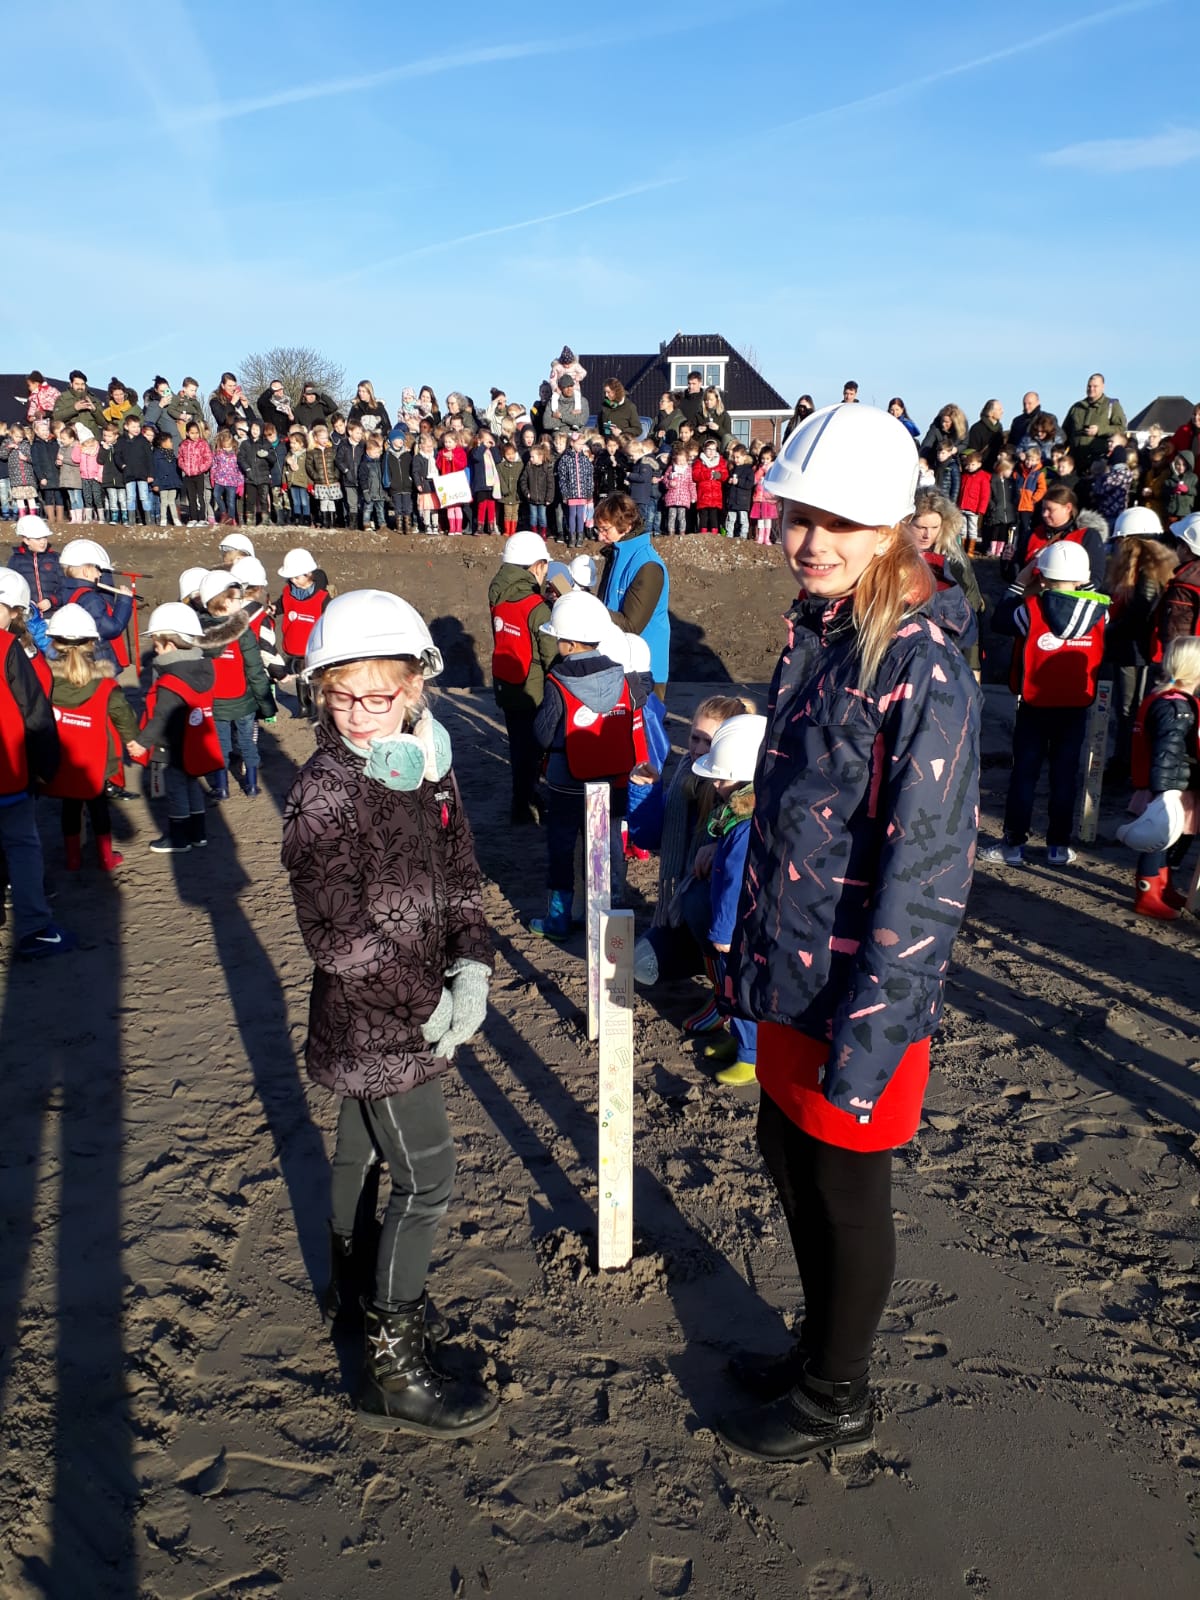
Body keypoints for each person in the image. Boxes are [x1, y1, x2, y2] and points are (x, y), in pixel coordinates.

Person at [716, 403, 979, 1465]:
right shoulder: (817, 633)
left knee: (844, 1181)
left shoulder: (927, 666)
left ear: (895, 532)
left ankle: (839, 1389)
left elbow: (927, 868)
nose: (813, 538)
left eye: (844, 521)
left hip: (865, 993)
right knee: (785, 1146)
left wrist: (874, 1032)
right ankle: (817, 1341)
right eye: (799, 515)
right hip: (792, 972)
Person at [281, 589, 498, 1438]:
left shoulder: (430, 766)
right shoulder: (321, 796)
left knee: (361, 1151)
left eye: (381, 694)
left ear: (414, 688)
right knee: (427, 1177)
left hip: (418, 1000)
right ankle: (393, 1364)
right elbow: (339, 939)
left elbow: (461, 871)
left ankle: (353, 1298)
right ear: (321, 691)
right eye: (343, 695)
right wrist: (429, 1000)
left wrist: (472, 959)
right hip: (380, 1022)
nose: (363, 714)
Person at [983, 540, 1108, 867]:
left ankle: (1013, 846)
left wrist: (1021, 581)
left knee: (1024, 774)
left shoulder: (1030, 610)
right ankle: (1058, 847)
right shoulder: (1100, 612)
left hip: (1035, 706)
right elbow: (1090, 592)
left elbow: (999, 620)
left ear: (1044, 575)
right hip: (1076, 708)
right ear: (1082, 578)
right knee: (1065, 776)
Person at [530, 591, 643, 939]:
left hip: (567, 782)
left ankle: (559, 918)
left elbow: (544, 734)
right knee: (606, 845)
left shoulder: (557, 682)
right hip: (614, 778)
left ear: (567, 644)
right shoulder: (624, 677)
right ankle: (608, 913)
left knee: (562, 847)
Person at [687, 715, 765, 1087]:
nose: (715, 784)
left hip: (738, 928)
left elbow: (736, 882)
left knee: (742, 987)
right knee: (733, 987)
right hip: (738, 925)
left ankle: (751, 1056)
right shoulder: (739, 820)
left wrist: (722, 930)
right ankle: (737, 1039)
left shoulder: (742, 828)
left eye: (722, 778)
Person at [0, 577, 73, 958]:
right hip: (8, 774)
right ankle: (34, 928)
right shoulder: (8, 648)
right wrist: (47, 764)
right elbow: (35, 712)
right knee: (22, 845)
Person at [42, 602, 138, 871]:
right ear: (92, 643)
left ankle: (73, 859)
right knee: (99, 808)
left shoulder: (45, 682)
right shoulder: (106, 684)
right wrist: (133, 740)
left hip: (63, 760)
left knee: (70, 808)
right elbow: (122, 713)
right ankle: (107, 858)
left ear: (54, 642)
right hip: (98, 759)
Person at [128, 602, 223, 852]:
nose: (156, 652)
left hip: (174, 746)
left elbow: (160, 717)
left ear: (170, 646)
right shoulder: (203, 668)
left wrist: (141, 742)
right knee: (192, 784)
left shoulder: (171, 680)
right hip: (196, 742)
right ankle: (198, 832)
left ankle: (179, 838)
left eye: (157, 647)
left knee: (176, 790)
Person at [1124, 636, 1200, 920]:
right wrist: (1162, 792)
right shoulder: (1175, 707)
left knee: (1171, 839)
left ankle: (1163, 886)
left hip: (1176, 783)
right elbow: (1166, 751)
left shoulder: (1170, 699)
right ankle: (1148, 891)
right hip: (1170, 787)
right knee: (1159, 839)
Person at [1104, 508, 1175, 784]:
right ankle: (1127, 761)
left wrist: (1107, 630)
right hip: (1136, 648)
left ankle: (1126, 763)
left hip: (1134, 650)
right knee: (1129, 709)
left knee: (1128, 710)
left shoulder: (1145, 569)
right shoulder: (1153, 566)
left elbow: (1138, 614)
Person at [488, 531, 556, 824]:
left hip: (507, 684)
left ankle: (522, 798)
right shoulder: (537, 609)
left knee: (518, 747)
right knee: (535, 749)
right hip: (533, 688)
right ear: (536, 566)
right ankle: (526, 802)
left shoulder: (497, 596)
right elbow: (549, 653)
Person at [199, 570, 274, 799]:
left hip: (216, 701)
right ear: (226, 601)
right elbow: (255, 669)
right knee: (246, 742)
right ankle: (251, 785)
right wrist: (266, 702)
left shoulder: (200, 634)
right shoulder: (243, 633)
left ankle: (221, 788)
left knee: (220, 743)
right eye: (238, 599)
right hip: (243, 699)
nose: (242, 603)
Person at [593, 493, 670, 697]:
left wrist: (589, 608)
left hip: (644, 671)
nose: (600, 537)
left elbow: (631, 625)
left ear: (626, 526)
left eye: (605, 529)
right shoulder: (617, 554)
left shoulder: (648, 565)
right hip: (618, 661)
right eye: (598, 529)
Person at [908, 490, 984, 675]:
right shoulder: (890, 556)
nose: (927, 535)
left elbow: (970, 608)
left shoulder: (954, 559)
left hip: (947, 650)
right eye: (920, 527)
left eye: (934, 528)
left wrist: (973, 665)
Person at [58, 537, 133, 669]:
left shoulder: (66, 591)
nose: (100, 574)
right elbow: (112, 629)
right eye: (97, 569)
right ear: (86, 571)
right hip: (97, 657)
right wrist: (125, 601)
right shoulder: (90, 599)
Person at [1017, 483, 1107, 589]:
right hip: (1032, 600)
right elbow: (1016, 575)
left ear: (1068, 508)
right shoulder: (1033, 534)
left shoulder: (1087, 536)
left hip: (1068, 600)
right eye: (1043, 509)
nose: (1044, 514)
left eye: (1050, 509)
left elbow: (1095, 578)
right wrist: (1008, 562)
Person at [277, 548, 332, 718]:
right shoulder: (288, 592)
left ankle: (318, 704)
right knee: (301, 673)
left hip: (313, 643)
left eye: (297, 577)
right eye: (291, 578)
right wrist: (274, 608)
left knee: (315, 675)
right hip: (295, 641)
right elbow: (282, 603)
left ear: (308, 574)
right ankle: (304, 706)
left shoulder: (322, 597)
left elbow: (329, 616)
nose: (293, 581)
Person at [1064, 373, 1127, 471]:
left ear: (1103, 387)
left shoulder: (1112, 406)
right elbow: (1065, 432)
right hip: (1075, 462)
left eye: (1095, 386)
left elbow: (1121, 429)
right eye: (1089, 386)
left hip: (1098, 463)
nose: (1091, 389)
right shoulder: (1077, 407)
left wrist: (1100, 430)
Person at [8, 513, 62, 614]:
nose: (43, 542)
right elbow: (11, 590)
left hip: (53, 614)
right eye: (38, 539)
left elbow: (65, 586)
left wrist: (52, 601)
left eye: (45, 537)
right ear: (26, 540)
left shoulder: (55, 558)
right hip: (28, 616)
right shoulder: (15, 560)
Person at [555, 432, 593, 549]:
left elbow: (589, 476)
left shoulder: (585, 459)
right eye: (579, 444)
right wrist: (565, 493)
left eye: (583, 444)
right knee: (572, 514)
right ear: (572, 443)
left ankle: (580, 536)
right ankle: (572, 536)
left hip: (582, 493)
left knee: (580, 514)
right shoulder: (565, 459)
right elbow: (562, 478)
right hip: (571, 493)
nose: (581, 446)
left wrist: (589, 491)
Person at [237, 420, 275, 528]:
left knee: (263, 499)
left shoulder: (266, 444)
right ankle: (250, 521)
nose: (255, 431)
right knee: (250, 500)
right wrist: (247, 469)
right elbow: (240, 458)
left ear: (261, 430)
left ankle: (265, 521)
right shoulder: (245, 444)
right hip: (250, 477)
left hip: (263, 476)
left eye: (257, 429)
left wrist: (267, 455)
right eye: (253, 429)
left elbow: (273, 459)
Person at [982, 452, 1018, 559]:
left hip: (1007, 511)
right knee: (995, 530)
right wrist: (992, 506)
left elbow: (1014, 495)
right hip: (997, 510)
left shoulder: (1010, 482)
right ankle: (992, 548)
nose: (1011, 472)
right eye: (1009, 470)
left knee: (1003, 531)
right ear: (1003, 469)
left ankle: (1000, 549)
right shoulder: (993, 480)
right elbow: (989, 495)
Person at [178, 422, 214, 527]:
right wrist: (184, 467)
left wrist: (201, 468)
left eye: (197, 433)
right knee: (191, 496)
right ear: (188, 433)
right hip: (188, 475)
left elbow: (208, 458)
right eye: (192, 433)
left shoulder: (203, 444)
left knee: (200, 496)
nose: (195, 435)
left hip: (199, 474)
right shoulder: (184, 444)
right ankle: (193, 518)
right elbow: (180, 458)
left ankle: (202, 518)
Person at [956, 449, 991, 555]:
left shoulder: (983, 478)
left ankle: (970, 550)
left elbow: (985, 495)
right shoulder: (964, 476)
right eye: (968, 464)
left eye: (973, 464)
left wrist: (981, 509)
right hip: (962, 507)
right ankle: (962, 549)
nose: (970, 467)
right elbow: (960, 492)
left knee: (972, 529)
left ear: (979, 464)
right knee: (962, 529)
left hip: (974, 509)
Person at [692, 439, 728, 534]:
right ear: (704, 449)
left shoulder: (720, 461)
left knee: (714, 515)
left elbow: (725, 475)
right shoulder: (699, 462)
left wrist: (719, 475)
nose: (711, 451)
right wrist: (707, 474)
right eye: (709, 449)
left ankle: (714, 533)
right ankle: (703, 533)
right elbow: (695, 475)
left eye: (713, 449)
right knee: (703, 515)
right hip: (703, 494)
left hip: (715, 495)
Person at [385, 429, 415, 535]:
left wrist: (411, 479)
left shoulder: (407, 455)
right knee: (398, 507)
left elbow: (412, 468)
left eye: (402, 439)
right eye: (398, 439)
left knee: (407, 506)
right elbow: (386, 470)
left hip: (407, 485)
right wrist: (389, 482)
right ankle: (399, 526)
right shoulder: (388, 455)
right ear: (392, 441)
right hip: (395, 485)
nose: (401, 441)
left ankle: (408, 526)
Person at [662, 444, 696, 535]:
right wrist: (670, 483)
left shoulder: (688, 470)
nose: (681, 462)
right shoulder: (671, 469)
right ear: (675, 459)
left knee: (682, 516)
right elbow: (664, 480)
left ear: (687, 459)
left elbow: (691, 484)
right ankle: (671, 533)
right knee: (671, 516)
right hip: (672, 497)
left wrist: (693, 496)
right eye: (679, 460)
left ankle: (682, 532)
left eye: (683, 460)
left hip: (683, 498)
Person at [966, 399, 1005, 470]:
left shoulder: (999, 428)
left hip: (995, 468)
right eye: (999, 409)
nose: (1002, 411)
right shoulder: (977, 428)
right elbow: (973, 451)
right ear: (990, 413)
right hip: (981, 469)